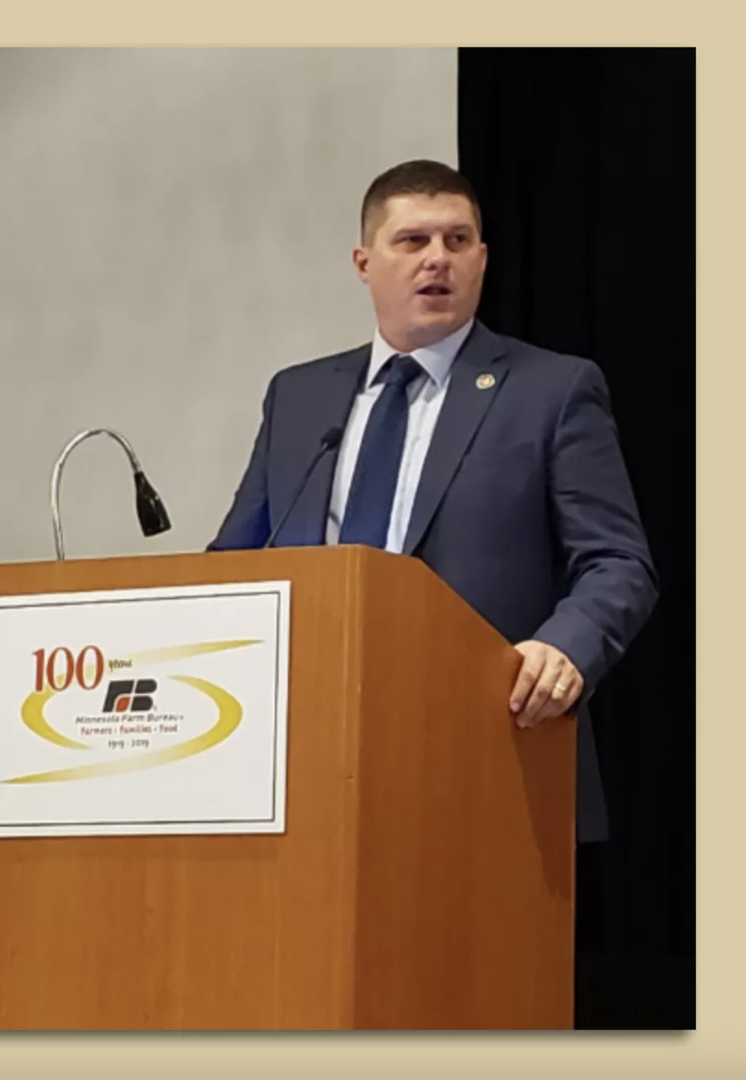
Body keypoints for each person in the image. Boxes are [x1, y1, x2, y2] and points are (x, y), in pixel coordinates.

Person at [208, 160, 658, 843]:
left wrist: (564, 648)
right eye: (413, 241)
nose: (437, 259)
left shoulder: (552, 390)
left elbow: (619, 562)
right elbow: (236, 563)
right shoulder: (299, 397)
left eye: (457, 240)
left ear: (482, 259)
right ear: (365, 263)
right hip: (307, 753)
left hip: (490, 746)